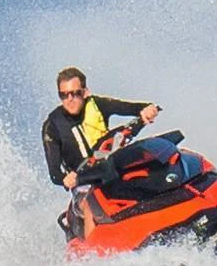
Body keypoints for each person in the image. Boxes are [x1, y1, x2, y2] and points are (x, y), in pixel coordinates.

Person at [42, 69, 168, 210]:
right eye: (64, 95)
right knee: (90, 203)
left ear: (85, 92)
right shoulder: (52, 126)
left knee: (146, 168)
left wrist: (147, 109)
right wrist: (65, 179)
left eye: (75, 93)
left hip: (112, 168)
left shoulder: (98, 104)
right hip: (84, 184)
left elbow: (131, 107)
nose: (70, 99)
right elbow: (54, 174)